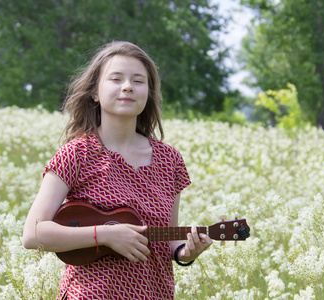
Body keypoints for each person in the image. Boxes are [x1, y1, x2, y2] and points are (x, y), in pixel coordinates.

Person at [22, 41, 212, 300]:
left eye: (138, 81)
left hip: (154, 293)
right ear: (95, 93)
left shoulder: (170, 160)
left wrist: (186, 252)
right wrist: (106, 235)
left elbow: (168, 236)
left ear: (148, 93)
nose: (127, 87)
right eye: (116, 78)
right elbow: (32, 234)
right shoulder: (76, 154)